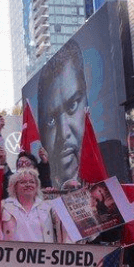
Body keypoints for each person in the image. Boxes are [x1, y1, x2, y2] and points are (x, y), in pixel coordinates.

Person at [36, 40, 87, 190]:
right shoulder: (39, 180)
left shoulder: (114, 159)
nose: (63, 133)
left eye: (72, 106)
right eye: (51, 120)